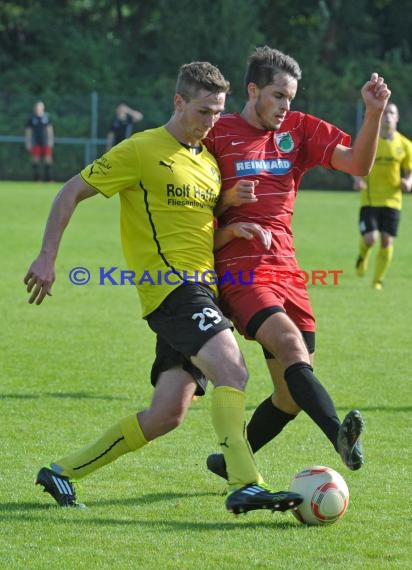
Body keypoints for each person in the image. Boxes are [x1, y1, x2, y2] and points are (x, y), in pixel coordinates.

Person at [23, 61, 303, 515]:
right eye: (203, 111)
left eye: (218, 112)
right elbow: (71, 190)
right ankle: (246, 483)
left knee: (167, 414)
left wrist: (233, 230)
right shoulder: (141, 149)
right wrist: (47, 257)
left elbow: (199, 233)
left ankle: (62, 471)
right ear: (179, 102)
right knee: (233, 371)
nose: (211, 121)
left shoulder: (208, 163)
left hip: (203, 290)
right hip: (172, 289)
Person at [203, 46, 391, 481]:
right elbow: (189, 202)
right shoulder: (217, 133)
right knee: (291, 349)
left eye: (291, 97)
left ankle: (229, 458)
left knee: (290, 394)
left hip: (287, 269)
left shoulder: (299, 129)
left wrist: (373, 112)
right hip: (242, 269)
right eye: (278, 96)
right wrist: (227, 214)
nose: (286, 106)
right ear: (253, 91)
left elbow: (358, 163)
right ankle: (339, 436)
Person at [353, 102, 412, 290]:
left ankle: (377, 280)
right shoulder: (370, 140)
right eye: (385, 113)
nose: (387, 116)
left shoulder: (405, 144)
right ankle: (363, 255)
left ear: (397, 118)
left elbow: (410, 170)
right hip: (370, 199)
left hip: (393, 200)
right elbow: (353, 159)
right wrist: (357, 179)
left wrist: (408, 181)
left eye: (391, 113)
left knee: (387, 241)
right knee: (370, 239)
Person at [25, 100, 54, 182]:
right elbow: (28, 132)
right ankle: (37, 179)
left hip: (46, 142)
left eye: (40, 107)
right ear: (35, 108)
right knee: (35, 160)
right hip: (35, 142)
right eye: (37, 108)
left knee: (48, 160)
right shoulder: (32, 118)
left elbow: (50, 130)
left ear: (43, 108)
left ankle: (49, 179)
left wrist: (51, 140)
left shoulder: (47, 117)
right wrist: (28, 142)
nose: (38, 109)